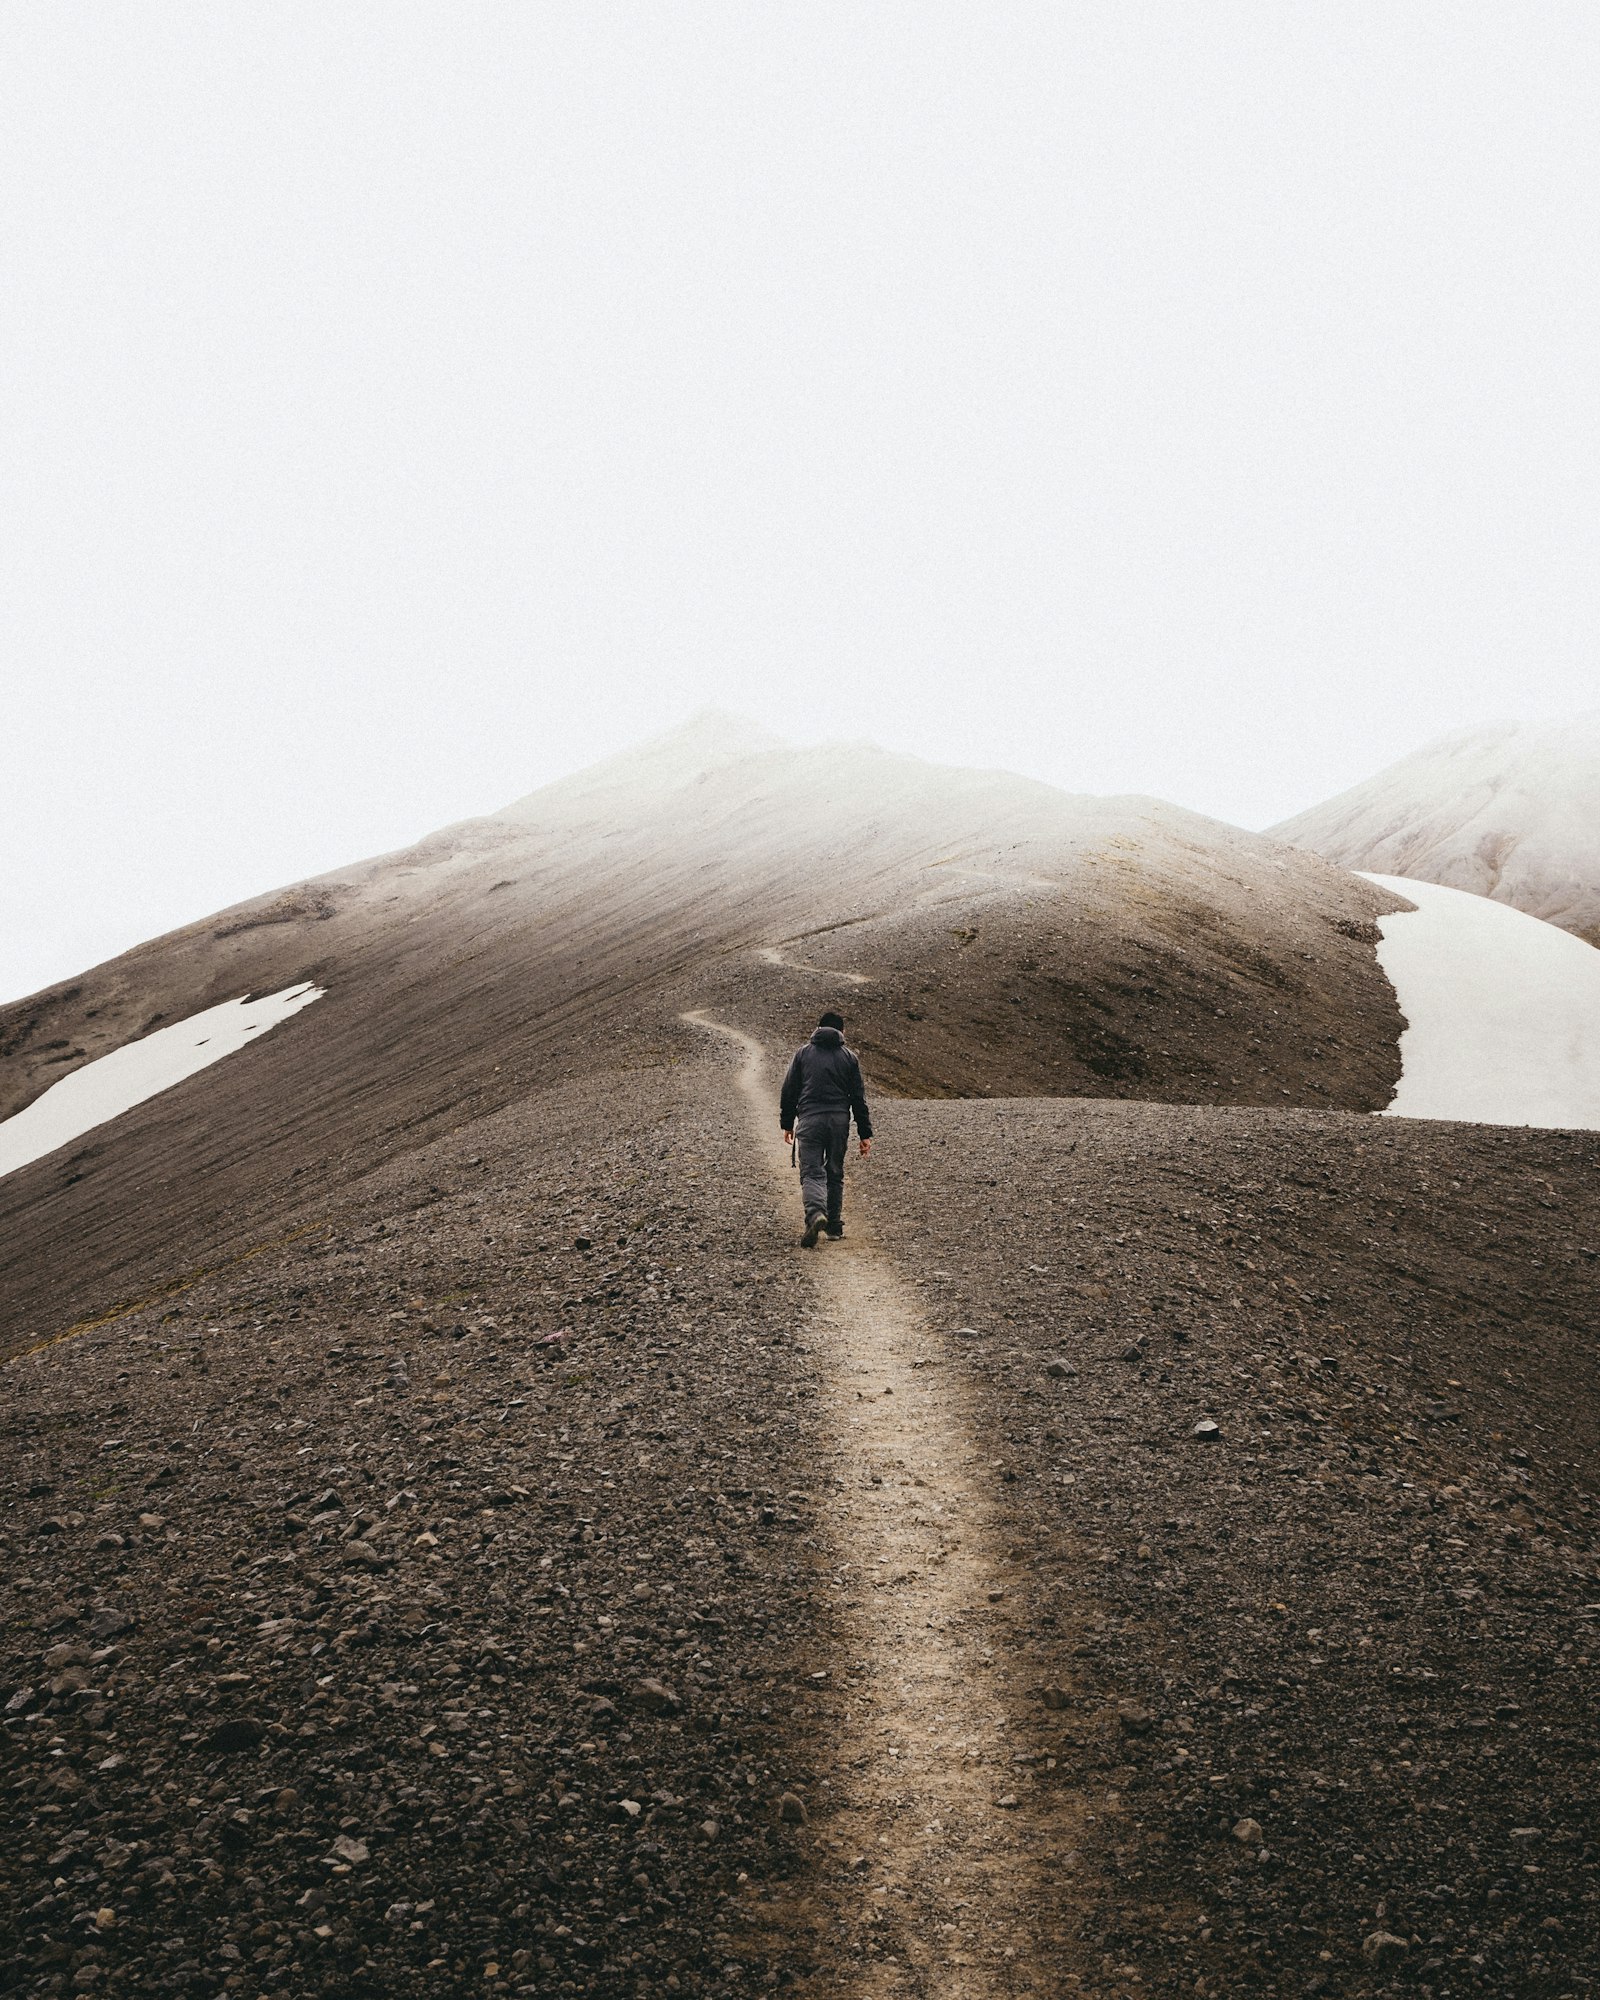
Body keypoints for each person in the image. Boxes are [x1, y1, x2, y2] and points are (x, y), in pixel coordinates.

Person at [779, 1010, 873, 1247]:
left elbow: (789, 1090)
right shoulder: (849, 1058)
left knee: (811, 1172)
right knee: (834, 1172)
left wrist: (787, 1124)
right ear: (842, 1032)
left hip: (810, 1119)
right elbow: (858, 1099)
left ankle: (815, 1214)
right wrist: (865, 1134)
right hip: (839, 1122)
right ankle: (833, 1227)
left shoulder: (802, 1054)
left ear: (818, 1028)